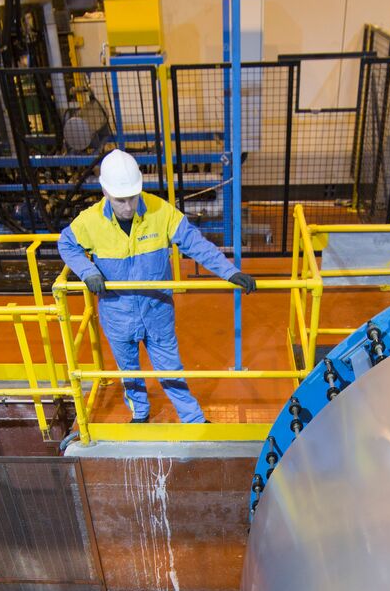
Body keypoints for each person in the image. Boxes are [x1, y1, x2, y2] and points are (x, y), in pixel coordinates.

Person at [57, 148, 256, 424]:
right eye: (121, 200)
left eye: (133, 197)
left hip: (157, 310)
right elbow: (66, 244)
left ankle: (193, 419)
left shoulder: (160, 212)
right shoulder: (90, 222)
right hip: (117, 314)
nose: (129, 207)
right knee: (129, 371)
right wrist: (87, 272)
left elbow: (195, 243)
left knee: (170, 368)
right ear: (104, 191)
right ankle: (140, 413)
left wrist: (230, 272)